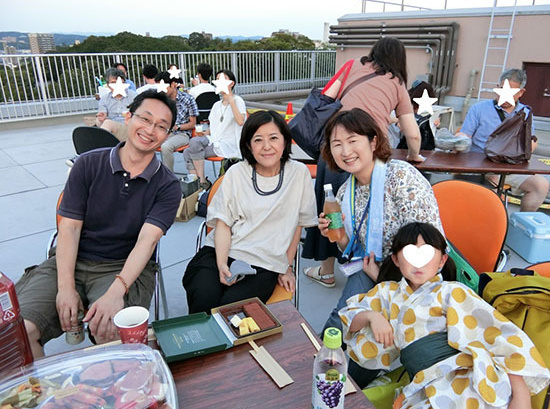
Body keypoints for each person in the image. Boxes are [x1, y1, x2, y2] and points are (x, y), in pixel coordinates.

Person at [15, 90, 182, 358]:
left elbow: (147, 241)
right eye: (145, 119)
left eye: (161, 126)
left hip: (122, 267)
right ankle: (38, 385)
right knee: (18, 333)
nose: (151, 130)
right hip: (71, 260)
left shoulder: (168, 185)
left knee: (111, 330)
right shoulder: (88, 164)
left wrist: (117, 291)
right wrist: (65, 288)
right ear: (128, 117)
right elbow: (69, 228)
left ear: (167, 134)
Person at [339, 222, 550, 409]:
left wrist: (521, 396)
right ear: (395, 259)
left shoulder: (452, 292)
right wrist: (372, 316)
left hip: (468, 381)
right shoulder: (386, 293)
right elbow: (350, 318)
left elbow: (498, 337)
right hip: (422, 387)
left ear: (442, 260)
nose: (419, 263)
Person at [303, 37, 423, 288]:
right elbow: (412, 133)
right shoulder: (397, 83)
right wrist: (414, 155)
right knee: (367, 212)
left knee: (330, 210)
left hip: (334, 148)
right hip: (369, 155)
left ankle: (327, 271)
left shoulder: (351, 66)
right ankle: (366, 265)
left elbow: (326, 98)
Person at [182, 110, 317, 314]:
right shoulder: (237, 173)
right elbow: (223, 223)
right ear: (248, 145)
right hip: (221, 250)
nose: (266, 146)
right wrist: (221, 264)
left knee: (232, 310)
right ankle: (199, 336)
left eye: (273, 138)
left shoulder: (299, 174)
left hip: (265, 262)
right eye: (258, 140)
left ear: (285, 141)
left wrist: (286, 267)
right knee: (203, 295)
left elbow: (297, 225)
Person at [458, 68, 550, 211]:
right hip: (482, 165)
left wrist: (530, 146)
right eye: (501, 89)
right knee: (493, 186)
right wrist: (458, 140)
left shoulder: (526, 112)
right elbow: (465, 135)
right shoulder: (478, 109)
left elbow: (529, 142)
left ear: (521, 92)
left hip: (512, 166)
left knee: (540, 185)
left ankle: (520, 221)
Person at [183, 69, 246, 190]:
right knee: (187, 152)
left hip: (229, 143)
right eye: (217, 79)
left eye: (223, 79)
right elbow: (213, 127)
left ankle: (202, 182)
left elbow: (240, 121)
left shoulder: (238, 101)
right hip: (214, 140)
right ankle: (198, 184)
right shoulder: (216, 105)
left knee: (194, 144)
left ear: (231, 83)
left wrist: (231, 100)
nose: (219, 81)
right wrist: (204, 133)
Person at [156, 71, 199, 173]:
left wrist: (177, 127)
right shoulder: (161, 100)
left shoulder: (187, 99)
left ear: (173, 84)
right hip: (165, 132)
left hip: (182, 133)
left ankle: (168, 177)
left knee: (166, 147)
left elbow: (192, 124)